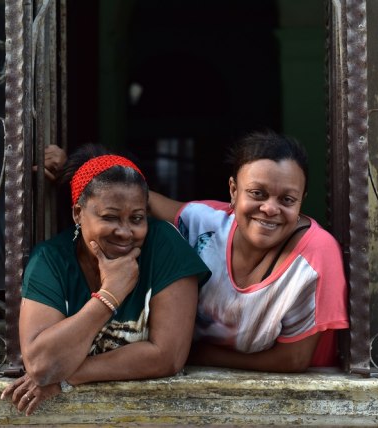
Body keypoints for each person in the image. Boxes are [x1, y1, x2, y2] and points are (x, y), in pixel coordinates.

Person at [1, 144, 210, 415]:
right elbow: (41, 365)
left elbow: (167, 356)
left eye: (136, 218)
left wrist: (66, 376)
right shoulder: (51, 260)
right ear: (78, 213)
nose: (125, 232)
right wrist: (109, 295)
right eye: (110, 217)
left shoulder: (166, 247)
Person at [148, 130, 349, 372]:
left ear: (301, 201)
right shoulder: (205, 224)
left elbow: (294, 359)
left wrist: (204, 355)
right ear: (233, 190)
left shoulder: (316, 255)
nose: (270, 208)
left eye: (287, 199)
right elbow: (139, 198)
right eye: (257, 193)